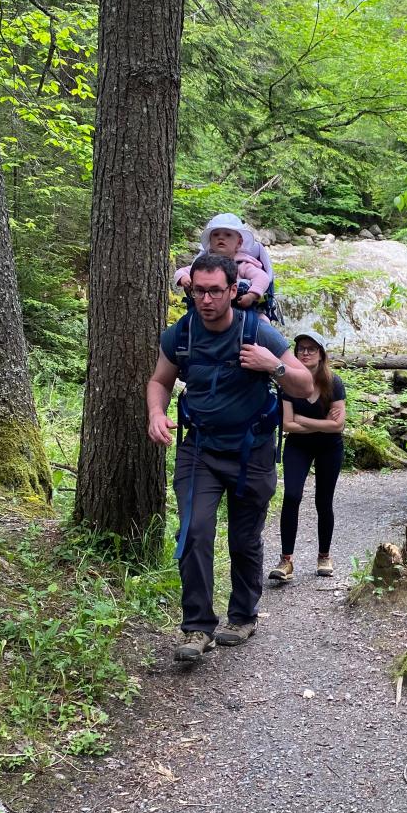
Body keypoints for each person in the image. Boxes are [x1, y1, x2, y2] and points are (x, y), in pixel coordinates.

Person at [147, 254, 311, 661]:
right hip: (199, 449)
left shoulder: (257, 331)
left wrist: (272, 365)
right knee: (195, 531)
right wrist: (156, 413)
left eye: (214, 291)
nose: (205, 299)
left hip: (251, 452)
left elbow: (305, 384)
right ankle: (196, 628)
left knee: (243, 538)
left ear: (233, 289)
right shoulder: (181, 335)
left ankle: (243, 615)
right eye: (198, 290)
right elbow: (159, 380)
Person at [269, 331, 346, 585]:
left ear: (321, 354)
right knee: (291, 496)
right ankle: (286, 560)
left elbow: (338, 426)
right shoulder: (288, 384)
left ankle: (324, 556)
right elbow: (288, 425)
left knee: (324, 501)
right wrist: (322, 423)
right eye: (301, 348)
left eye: (312, 349)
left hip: (330, 447)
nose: (305, 353)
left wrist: (303, 420)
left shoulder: (333, 382)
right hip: (298, 447)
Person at [174, 213, 276, 312]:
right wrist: (184, 278)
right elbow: (182, 271)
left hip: (242, 309)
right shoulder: (205, 264)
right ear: (210, 241)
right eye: (216, 234)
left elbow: (262, 277)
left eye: (228, 235)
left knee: (262, 323)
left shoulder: (242, 264)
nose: (221, 238)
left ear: (239, 243)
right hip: (207, 310)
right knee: (185, 324)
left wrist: (252, 295)